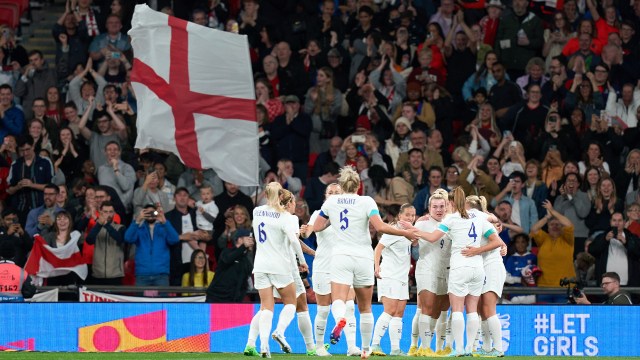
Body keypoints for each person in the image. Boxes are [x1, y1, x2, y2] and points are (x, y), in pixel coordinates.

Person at [313, 166, 418, 359]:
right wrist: (405, 232)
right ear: (359, 185)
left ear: (342, 185)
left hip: (340, 256)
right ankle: (366, 349)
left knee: (338, 299)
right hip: (363, 256)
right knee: (365, 308)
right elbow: (379, 227)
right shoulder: (366, 201)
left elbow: (318, 227)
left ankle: (341, 318)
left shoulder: (332, 201)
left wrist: (333, 220)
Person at [405, 187, 502, 357]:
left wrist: (412, 229)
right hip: (478, 268)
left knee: (457, 311)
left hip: (459, 267)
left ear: (451, 203)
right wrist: (477, 250)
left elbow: (433, 237)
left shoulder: (451, 219)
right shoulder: (479, 217)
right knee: (472, 310)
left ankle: (458, 349)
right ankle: (471, 348)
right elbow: (497, 239)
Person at [247, 182, 307, 358]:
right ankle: (279, 332)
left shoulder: (256, 211)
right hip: (279, 265)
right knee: (291, 303)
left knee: (266, 307)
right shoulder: (284, 216)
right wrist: (302, 262)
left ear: (265, 194)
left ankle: (264, 346)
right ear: (281, 195)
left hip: (260, 265)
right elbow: (295, 241)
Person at [301, 183, 361, 357]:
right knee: (323, 309)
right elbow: (307, 233)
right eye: (331, 193)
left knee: (349, 305)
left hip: (344, 265)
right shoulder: (317, 214)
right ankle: (319, 347)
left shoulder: (348, 213)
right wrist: (305, 232)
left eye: (337, 192)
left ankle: (351, 347)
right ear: (325, 196)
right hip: (323, 266)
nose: (334, 195)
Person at [371, 204, 418, 357]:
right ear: (399, 216)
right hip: (389, 275)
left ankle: (395, 349)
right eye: (407, 215)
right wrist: (376, 267)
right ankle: (375, 345)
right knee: (389, 311)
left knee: (399, 313)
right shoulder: (393, 231)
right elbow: (378, 248)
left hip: (402, 277)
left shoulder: (411, 231)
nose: (410, 218)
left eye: (413, 215)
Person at [411, 189, 451, 357]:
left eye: (442, 206)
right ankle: (422, 347)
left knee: (437, 310)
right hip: (426, 269)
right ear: (429, 208)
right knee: (426, 307)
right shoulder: (421, 224)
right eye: (435, 206)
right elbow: (413, 247)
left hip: (445, 272)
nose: (439, 210)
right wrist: (413, 241)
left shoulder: (451, 223)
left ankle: (424, 347)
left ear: (447, 206)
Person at [466, 195, 507, 357]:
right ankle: (488, 347)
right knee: (482, 310)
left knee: (489, 308)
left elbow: (496, 236)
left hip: (492, 266)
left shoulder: (482, 217)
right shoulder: (475, 222)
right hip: (482, 267)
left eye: (467, 207)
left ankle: (498, 348)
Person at [123, 203, 179, 287]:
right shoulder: (139, 229)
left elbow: (175, 239)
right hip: (142, 275)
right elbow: (128, 238)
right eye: (147, 213)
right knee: (141, 300)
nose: (151, 214)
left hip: (161, 275)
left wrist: (164, 222)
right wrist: (137, 220)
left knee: (162, 300)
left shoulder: (164, 228)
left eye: (153, 212)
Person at [531, 200, 576, 303]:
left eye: (557, 224)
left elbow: (569, 225)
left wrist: (552, 211)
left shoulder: (567, 240)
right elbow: (534, 229)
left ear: (561, 227)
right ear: (547, 227)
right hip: (543, 287)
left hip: (565, 287)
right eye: (552, 224)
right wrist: (547, 217)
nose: (555, 226)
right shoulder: (543, 239)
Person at [6, 136, 54, 224]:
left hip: (41, 208)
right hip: (21, 209)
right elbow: (9, 190)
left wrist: (32, 185)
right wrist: (17, 187)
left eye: (27, 149)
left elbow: (52, 187)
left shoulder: (45, 162)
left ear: (33, 146)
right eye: (22, 150)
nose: (25, 153)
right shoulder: (16, 164)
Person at [588, 212, 640, 286]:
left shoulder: (632, 237)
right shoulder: (602, 236)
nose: (617, 223)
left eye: (619, 220)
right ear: (610, 222)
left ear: (624, 222)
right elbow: (591, 250)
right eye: (614, 220)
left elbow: (638, 252)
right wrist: (604, 239)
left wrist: (626, 242)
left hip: (628, 284)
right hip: (606, 285)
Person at [207, 228, 254, 303]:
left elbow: (244, 282)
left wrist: (238, 299)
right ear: (240, 239)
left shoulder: (245, 260)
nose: (251, 241)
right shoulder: (227, 251)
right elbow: (227, 259)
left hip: (232, 300)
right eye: (248, 239)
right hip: (215, 297)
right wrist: (243, 247)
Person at [85, 201, 125, 285]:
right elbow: (89, 240)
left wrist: (106, 224)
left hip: (115, 274)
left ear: (114, 213)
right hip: (98, 273)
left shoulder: (120, 227)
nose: (108, 214)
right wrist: (99, 224)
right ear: (100, 212)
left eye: (111, 212)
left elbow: (120, 239)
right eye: (105, 212)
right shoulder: (96, 227)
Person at [195, 184, 219, 251]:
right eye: (203, 194)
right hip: (199, 228)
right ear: (200, 195)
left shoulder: (213, 206)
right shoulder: (199, 203)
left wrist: (203, 213)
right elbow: (195, 204)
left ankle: (204, 257)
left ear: (212, 194)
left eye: (208, 193)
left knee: (203, 247)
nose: (205, 196)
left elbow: (212, 219)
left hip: (207, 230)